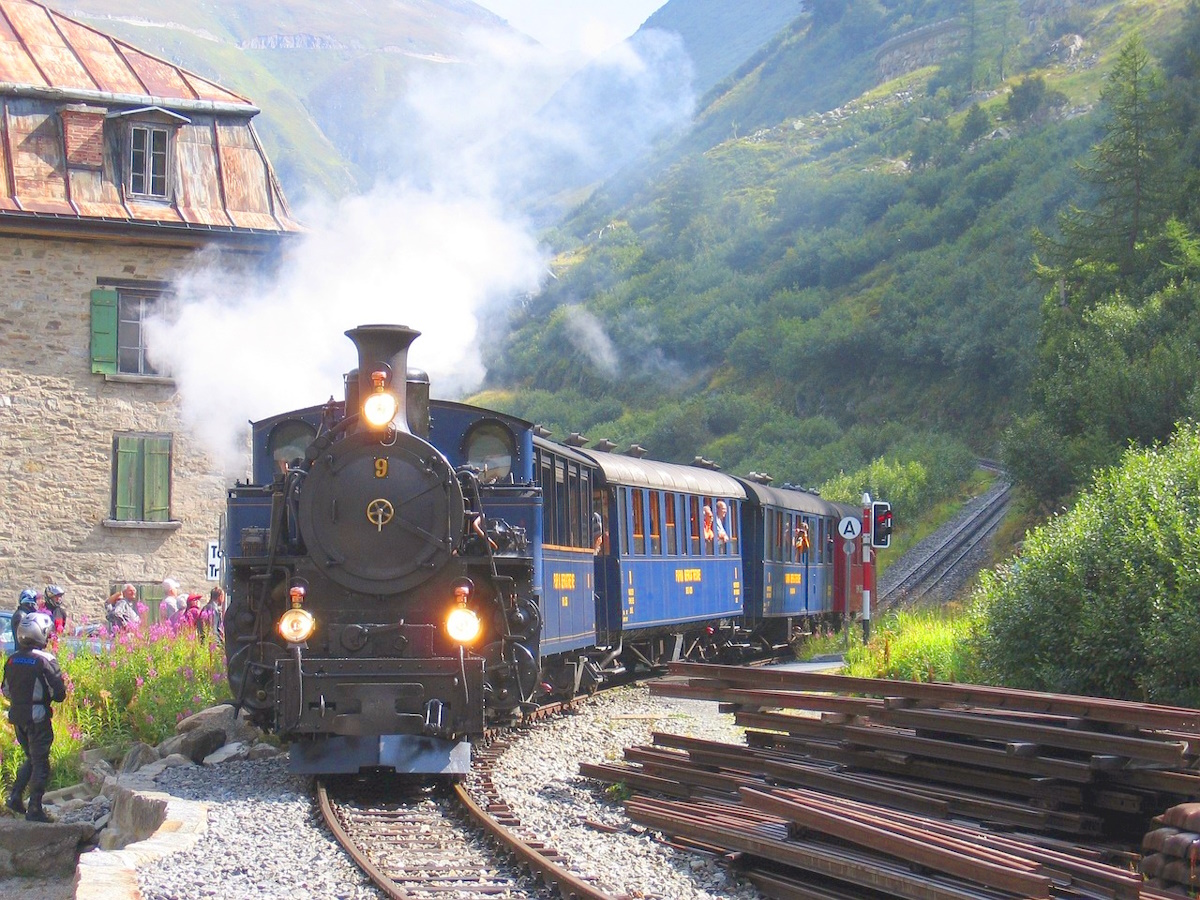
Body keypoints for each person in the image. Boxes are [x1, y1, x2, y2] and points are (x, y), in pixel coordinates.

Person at [2, 611, 67, 822]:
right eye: (47, 634)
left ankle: (14, 797)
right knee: (41, 763)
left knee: (31, 757)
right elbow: (59, 694)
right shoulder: (46, 660)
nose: (49, 638)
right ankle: (35, 808)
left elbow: (6, 690)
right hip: (38, 717)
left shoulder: (12, 660)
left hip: (18, 716)